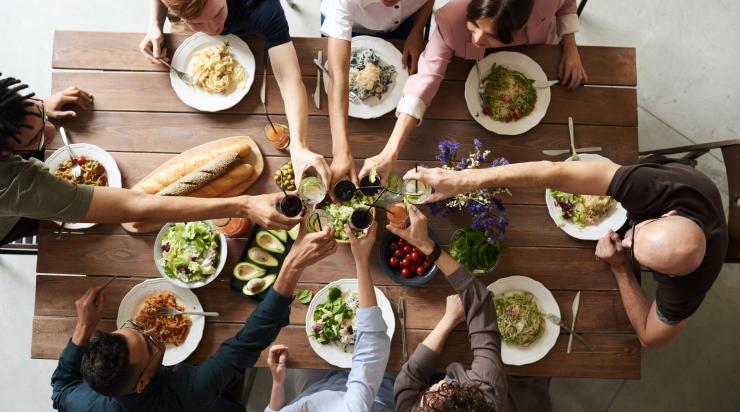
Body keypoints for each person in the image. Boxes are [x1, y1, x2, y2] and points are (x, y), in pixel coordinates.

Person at [404, 156, 728, 348]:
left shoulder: (690, 285)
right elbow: (553, 171)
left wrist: (619, 268)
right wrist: (464, 179)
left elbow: (649, 335)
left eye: (633, 250)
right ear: (668, 214)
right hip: (669, 182)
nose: (625, 239)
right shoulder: (657, 188)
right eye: (637, 233)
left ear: (670, 276)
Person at [50, 226, 338, 411]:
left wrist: (84, 326)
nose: (152, 331)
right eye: (149, 345)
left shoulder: (83, 403)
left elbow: (60, 388)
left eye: (134, 328)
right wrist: (292, 265)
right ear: (141, 384)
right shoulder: (189, 391)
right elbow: (249, 341)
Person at [0, 74, 301, 245]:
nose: (54, 130)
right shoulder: (17, 185)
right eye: (37, 138)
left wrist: (37, 112)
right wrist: (244, 204)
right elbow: (135, 205)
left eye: (38, 111)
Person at [359, 0, 587, 184]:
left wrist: (570, 47)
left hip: (536, 54)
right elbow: (426, 78)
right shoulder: (450, 19)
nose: (477, 39)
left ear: (518, 28)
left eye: (491, 35)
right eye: (474, 25)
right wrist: (390, 151)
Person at [139, 0, 331, 190]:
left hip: (248, 26)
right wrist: (154, 24)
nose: (213, 30)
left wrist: (299, 146)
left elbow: (289, 77)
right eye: (198, 22)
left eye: (216, 13)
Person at [390, 205, 551, 411]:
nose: (438, 384)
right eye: (445, 388)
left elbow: (407, 380)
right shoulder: (488, 392)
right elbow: (480, 301)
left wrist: (448, 321)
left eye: (427, 398)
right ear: (468, 396)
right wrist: (429, 246)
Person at [320, 0, 441, 190]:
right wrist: (341, 152)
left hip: (403, 21)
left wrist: (416, 31)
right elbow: (338, 76)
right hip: (353, 25)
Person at [265, 222, 395, 411]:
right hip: (377, 393)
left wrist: (278, 382)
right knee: (395, 359)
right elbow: (371, 348)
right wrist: (361, 260)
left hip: (317, 389)